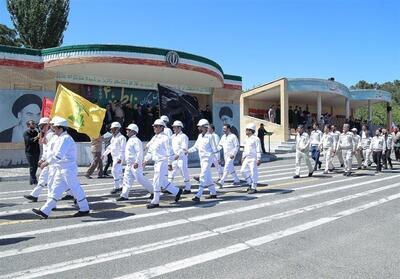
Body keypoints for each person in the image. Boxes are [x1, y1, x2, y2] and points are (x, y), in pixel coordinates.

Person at [32, 116, 90, 219]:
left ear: (60, 127)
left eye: (54, 127)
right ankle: (45, 210)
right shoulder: (57, 138)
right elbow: (50, 152)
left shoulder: (66, 138)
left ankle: (84, 208)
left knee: (75, 188)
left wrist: (46, 163)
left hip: (68, 168)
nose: (52, 128)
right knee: (55, 189)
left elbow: (59, 155)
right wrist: (44, 159)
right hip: (60, 168)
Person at [143, 119, 183, 209]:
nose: (154, 128)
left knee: (156, 181)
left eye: (156, 126)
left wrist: (169, 163)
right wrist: (145, 160)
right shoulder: (155, 137)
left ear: (162, 127)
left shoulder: (165, 138)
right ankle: (177, 191)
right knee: (163, 182)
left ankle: (155, 201)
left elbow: (170, 152)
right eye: (154, 126)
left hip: (163, 161)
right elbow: (151, 151)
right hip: (157, 162)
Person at [117, 124, 154, 201]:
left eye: (128, 130)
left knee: (140, 179)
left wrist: (137, 162)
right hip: (129, 164)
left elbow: (139, 152)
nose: (127, 131)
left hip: (135, 164)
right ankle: (124, 195)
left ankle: (154, 192)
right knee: (126, 180)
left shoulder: (136, 141)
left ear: (133, 131)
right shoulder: (130, 140)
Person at [24, 117, 55, 202]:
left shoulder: (51, 135)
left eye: (41, 126)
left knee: (63, 181)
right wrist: (42, 159)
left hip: (53, 162)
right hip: (47, 161)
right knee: (43, 178)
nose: (40, 128)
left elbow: (53, 151)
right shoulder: (46, 135)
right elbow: (46, 150)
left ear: (47, 126)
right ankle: (34, 195)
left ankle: (74, 195)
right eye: (40, 126)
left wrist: (46, 161)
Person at [188, 119, 219, 203]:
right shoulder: (199, 136)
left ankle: (198, 195)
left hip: (208, 159)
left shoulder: (210, 136)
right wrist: (187, 151)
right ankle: (213, 193)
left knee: (202, 176)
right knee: (208, 177)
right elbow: (195, 147)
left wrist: (217, 159)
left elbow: (215, 149)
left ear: (205, 127)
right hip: (202, 159)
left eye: (200, 126)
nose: (199, 128)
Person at [102, 122, 127, 194]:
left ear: (117, 129)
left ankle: (116, 187)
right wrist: (104, 154)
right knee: (118, 172)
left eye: (113, 129)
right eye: (112, 129)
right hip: (114, 157)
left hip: (118, 158)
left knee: (114, 171)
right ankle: (122, 186)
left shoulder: (122, 138)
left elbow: (123, 149)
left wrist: (120, 158)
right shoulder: (113, 138)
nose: (112, 131)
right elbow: (110, 147)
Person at [168, 120, 192, 194]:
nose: (173, 128)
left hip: (182, 158)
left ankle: (188, 188)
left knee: (184, 173)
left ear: (179, 128)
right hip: (174, 158)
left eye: (175, 127)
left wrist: (178, 154)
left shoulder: (183, 136)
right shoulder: (172, 137)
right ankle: (169, 187)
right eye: (173, 127)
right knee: (171, 173)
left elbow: (184, 148)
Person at [216, 124, 240, 189]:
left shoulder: (233, 136)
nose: (223, 130)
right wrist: (215, 150)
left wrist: (233, 154)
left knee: (226, 167)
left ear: (229, 129)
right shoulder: (223, 137)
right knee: (230, 168)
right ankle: (236, 180)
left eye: (225, 129)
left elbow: (237, 146)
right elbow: (220, 146)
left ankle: (221, 181)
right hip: (225, 155)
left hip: (231, 155)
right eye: (223, 129)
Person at [240, 123, 262, 194]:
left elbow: (258, 149)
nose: (246, 131)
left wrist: (258, 159)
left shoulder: (256, 139)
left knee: (253, 173)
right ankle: (250, 183)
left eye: (247, 130)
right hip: (247, 157)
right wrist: (243, 157)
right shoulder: (246, 139)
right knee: (243, 171)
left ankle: (253, 187)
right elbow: (245, 149)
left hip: (253, 158)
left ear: (251, 130)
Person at [23, 120, 40, 185]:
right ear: (28, 125)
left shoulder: (36, 132)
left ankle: (32, 179)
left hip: (36, 151)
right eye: (32, 123)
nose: (34, 124)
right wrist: (37, 137)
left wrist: (39, 131)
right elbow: (29, 141)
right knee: (32, 165)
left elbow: (39, 138)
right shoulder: (26, 133)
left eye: (34, 123)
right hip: (29, 152)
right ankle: (34, 179)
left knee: (35, 165)